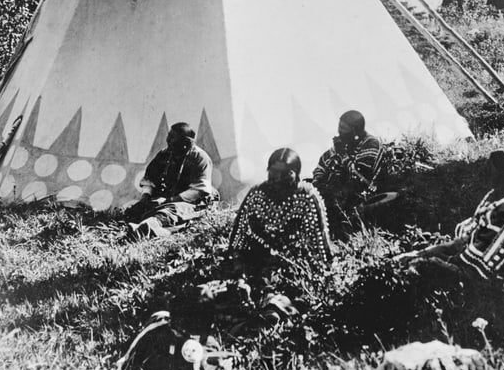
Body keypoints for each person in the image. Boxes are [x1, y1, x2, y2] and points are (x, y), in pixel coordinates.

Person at [394, 150, 504, 279]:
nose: (485, 173)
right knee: (415, 259)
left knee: (415, 270)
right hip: (474, 260)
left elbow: (478, 270)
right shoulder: (499, 192)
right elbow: (466, 240)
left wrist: (428, 262)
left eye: (491, 170)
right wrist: (421, 254)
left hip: (495, 280)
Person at [226, 147, 332, 282]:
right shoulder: (256, 194)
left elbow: (319, 243)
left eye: (287, 173)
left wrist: (322, 272)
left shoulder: (306, 196)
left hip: (293, 266)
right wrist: (237, 266)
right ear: (268, 170)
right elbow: (238, 236)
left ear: (296, 173)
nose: (279, 178)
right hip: (256, 263)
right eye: (274, 172)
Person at [128, 122, 218, 238]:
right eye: (169, 136)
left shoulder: (200, 158)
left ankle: (147, 228)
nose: (168, 140)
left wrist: (168, 200)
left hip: (192, 201)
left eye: (173, 138)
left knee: (169, 211)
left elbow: (198, 191)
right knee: (136, 211)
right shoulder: (164, 154)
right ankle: (153, 229)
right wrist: (145, 198)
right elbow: (149, 180)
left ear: (186, 143)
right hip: (167, 198)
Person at [312, 110, 386, 227]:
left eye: (344, 128)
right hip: (334, 195)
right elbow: (320, 167)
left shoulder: (370, 144)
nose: (339, 131)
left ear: (355, 131)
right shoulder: (338, 147)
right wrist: (318, 182)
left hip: (360, 196)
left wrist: (343, 155)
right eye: (339, 126)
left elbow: (361, 177)